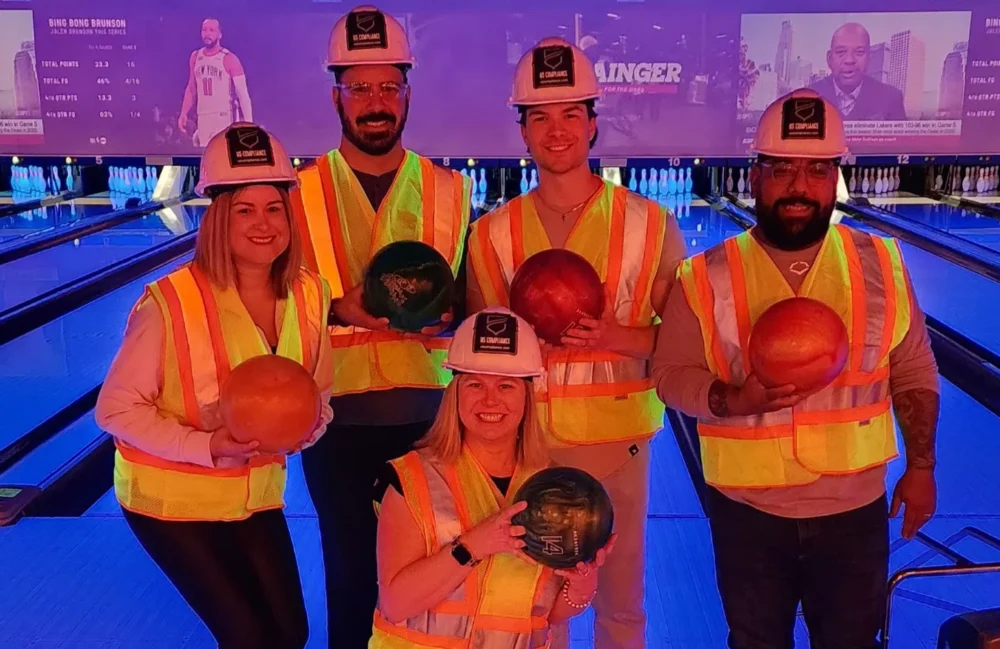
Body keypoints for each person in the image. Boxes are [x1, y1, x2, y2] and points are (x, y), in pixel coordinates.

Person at [653, 88, 939, 648]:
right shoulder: (704, 274)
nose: (798, 186)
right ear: (755, 176)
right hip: (747, 512)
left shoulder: (882, 264)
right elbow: (670, 375)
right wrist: (732, 400)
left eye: (815, 169)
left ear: (835, 176)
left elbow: (914, 372)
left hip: (854, 511)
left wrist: (923, 466)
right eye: (781, 168)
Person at [466, 37, 687, 649]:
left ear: (593, 124)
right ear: (524, 131)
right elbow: (484, 353)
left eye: (570, 115)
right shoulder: (492, 234)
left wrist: (617, 335)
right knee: (536, 607)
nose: (556, 130)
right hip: (528, 446)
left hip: (621, 447)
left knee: (621, 604)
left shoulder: (651, 223)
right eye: (539, 116)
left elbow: (684, 345)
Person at [94, 123, 333, 649]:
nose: (262, 224)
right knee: (248, 637)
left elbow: (319, 395)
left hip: (252, 495)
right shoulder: (170, 302)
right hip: (170, 501)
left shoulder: (310, 294)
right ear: (218, 216)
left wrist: (307, 428)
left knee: (289, 634)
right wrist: (205, 446)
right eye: (244, 210)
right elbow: (114, 410)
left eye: (273, 208)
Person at [289, 6, 472, 647]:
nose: (375, 102)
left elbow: (474, 304)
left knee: (433, 582)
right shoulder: (295, 192)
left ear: (407, 94)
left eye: (388, 87)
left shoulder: (451, 189)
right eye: (359, 87)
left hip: (431, 418)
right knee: (350, 578)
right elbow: (268, 308)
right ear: (336, 95)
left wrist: (455, 315)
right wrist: (337, 308)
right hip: (334, 421)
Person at [371, 306, 616, 647]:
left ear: (527, 396)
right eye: (475, 384)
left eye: (506, 386)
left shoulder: (553, 487)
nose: (490, 400)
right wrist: (474, 545)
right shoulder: (410, 478)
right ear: (455, 392)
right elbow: (396, 605)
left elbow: (547, 614)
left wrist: (583, 584)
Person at [178, 18, 254, 147]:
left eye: (211, 30)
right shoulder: (195, 57)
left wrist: (249, 126)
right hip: (203, 116)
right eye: (204, 30)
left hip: (225, 117)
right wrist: (184, 113)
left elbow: (243, 95)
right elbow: (191, 88)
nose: (207, 33)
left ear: (219, 34)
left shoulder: (229, 58)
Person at [807, 23, 906, 121]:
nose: (849, 60)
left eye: (859, 52)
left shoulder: (891, 98)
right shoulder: (808, 97)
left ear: (869, 59)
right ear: (829, 59)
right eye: (841, 52)